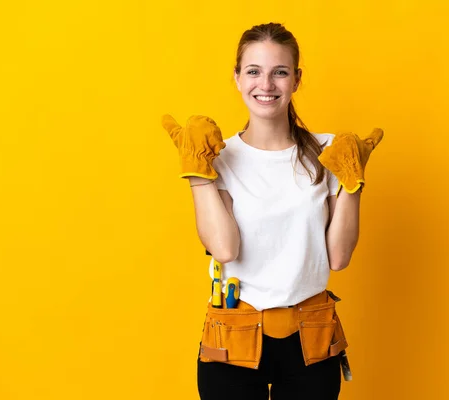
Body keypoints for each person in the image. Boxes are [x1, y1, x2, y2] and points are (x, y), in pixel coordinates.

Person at [162, 22, 383, 400]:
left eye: (279, 72)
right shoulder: (216, 155)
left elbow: (339, 256)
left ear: (296, 80)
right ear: (236, 77)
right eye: (254, 71)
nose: (266, 85)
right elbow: (225, 250)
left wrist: (352, 184)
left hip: (310, 338)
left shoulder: (330, 151)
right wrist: (197, 173)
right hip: (233, 335)